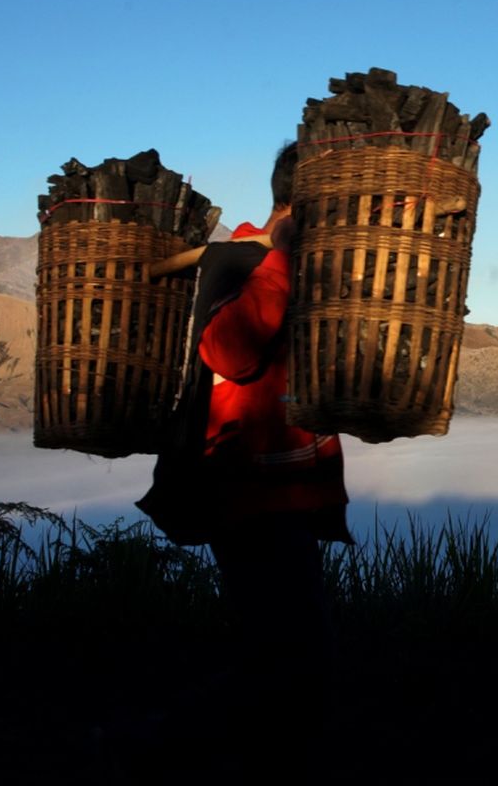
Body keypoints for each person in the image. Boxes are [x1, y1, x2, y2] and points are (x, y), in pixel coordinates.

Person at [136, 141, 350, 775]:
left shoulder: (295, 269)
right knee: (290, 666)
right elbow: (227, 353)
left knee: (287, 660)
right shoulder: (239, 263)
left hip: (286, 498)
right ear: (296, 204)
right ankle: (147, 747)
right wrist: (281, 251)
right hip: (251, 501)